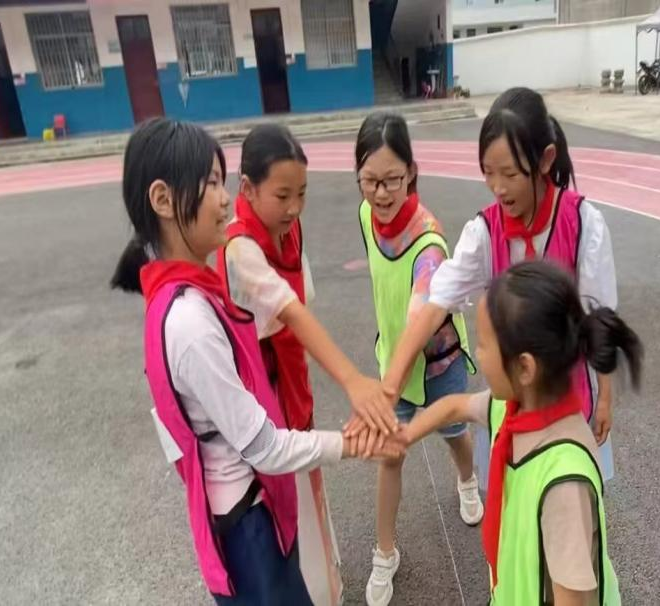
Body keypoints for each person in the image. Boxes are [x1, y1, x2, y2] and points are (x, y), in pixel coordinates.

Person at [110, 118, 401, 605]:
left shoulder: (182, 300)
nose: (224, 200)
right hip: (248, 521)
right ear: (162, 200)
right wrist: (354, 444)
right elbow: (264, 448)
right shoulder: (190, 322)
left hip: (247, 505)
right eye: (210, 184)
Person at [378, 87, 620, 484]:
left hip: (571, 400)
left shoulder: (583, 225)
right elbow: (434, 303)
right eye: (488, 172)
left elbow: (600, 317)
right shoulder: (484, 233)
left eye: (510, 174)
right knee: (515, 498)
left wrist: (606, 396)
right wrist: (389, 389)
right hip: (512, 400)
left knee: (568, 491)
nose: (498, 187)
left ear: (545, 160)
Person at [216, 123, 395, 606]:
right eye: (282, 195)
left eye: (302, 193)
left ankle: (325, 582)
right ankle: (312, 588)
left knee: (308, 487)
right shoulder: (240, 247)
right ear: (247, 188)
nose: (295, 207)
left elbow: (300, 307)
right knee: (284, 492)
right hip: (264, 393)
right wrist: (353, 380)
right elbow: (291, 311)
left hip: (292, 380)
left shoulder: (287, 228)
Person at [400, 261, 643, 605]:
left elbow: (573, 598)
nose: (478, 355)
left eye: (483, 344)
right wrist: (403, 437)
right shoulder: (512, 408)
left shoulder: (563, 481)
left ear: (525, 367)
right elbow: (454, 407)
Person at [352, 112, 483, 606]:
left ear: (411, 172)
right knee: (391, 456)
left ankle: (467, 480)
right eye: (370, 181)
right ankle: (385, 552)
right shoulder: (366, 217)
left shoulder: (429, 244)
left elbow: (419, 321)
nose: (381, 193)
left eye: (392, 179)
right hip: (393, 361)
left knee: (454, 432)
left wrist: (383, 394)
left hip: (437, 365)